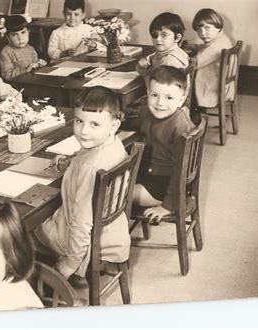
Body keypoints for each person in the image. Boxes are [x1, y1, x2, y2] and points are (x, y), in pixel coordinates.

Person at [33, 87, 131, 280]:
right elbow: (90, 160)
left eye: (94, 124)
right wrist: (73, 162)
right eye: (79, 121)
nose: (84, 131)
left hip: (85, 242)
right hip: (113, 233)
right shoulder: (113, 143)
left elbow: (81, 223)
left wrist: (71, 262)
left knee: (21, 226)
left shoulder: (91, 168)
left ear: (114, 125)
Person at [132, 65, 195, 222]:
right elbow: (134, 123)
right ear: (147, 94)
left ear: (181, 100)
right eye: (154, 95)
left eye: (169, 98)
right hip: (147, 173)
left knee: (110, 193)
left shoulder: (180, 126)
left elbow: (180, 170)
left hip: (166, 185)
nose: (160, 103)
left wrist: (166, 206)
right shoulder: (148, 113)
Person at [189, 8, 233, 110]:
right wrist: (195, 47)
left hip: (213, 90)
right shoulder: (222, 38)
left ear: (218, 26)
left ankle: (195, 120)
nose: (203, 33)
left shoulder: (216, 46)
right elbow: (206, 49)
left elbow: (195, 64)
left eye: (207, 28)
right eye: (199, 30)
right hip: (221, 85)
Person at [136, 12, 189, 84]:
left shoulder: (169, 60)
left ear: (177, 37)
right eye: (155, 35)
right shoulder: (164, 53)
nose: (158, 39)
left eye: (164, 35)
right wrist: (143, 67)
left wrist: (145, 72)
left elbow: (157, 89)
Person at [0, 15, 47, 81]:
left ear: (28, 32)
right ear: (7, 37)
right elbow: (7, 75)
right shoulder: (6, 52)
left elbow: (35, 66)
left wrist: (40, 65)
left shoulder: (30, 49)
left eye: (23, 32)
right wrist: (26, 70)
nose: (20, 38)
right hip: (17, 84)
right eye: (14, 35)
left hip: (32, 81)